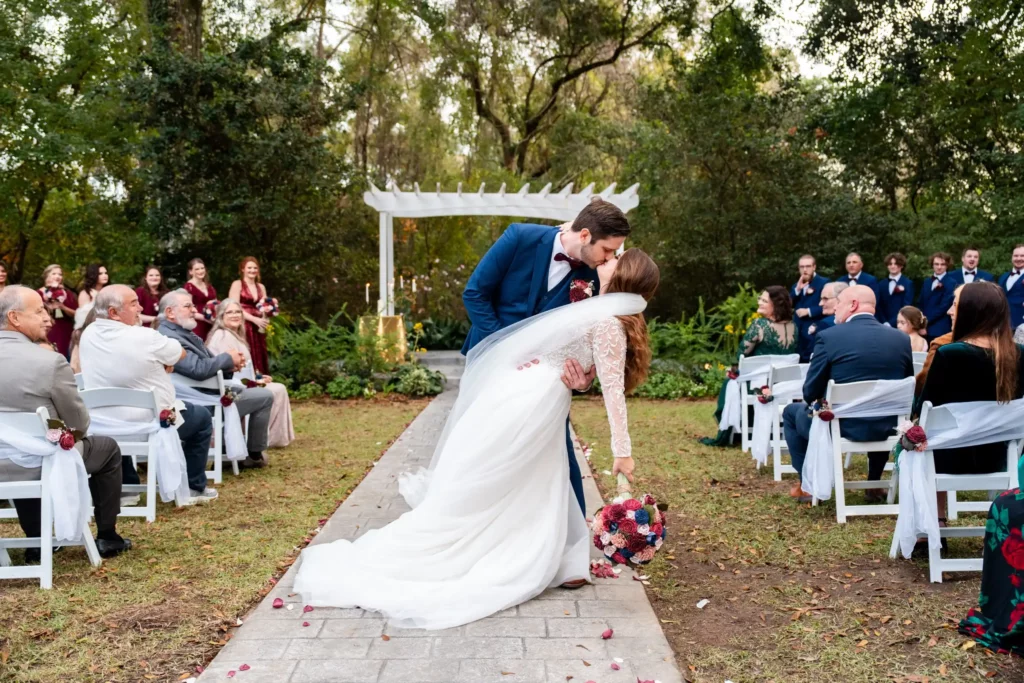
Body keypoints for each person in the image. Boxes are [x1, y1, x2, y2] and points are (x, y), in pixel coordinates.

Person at [294, 249, 659, 629]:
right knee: (503, 478)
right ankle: (494, 548)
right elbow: (558, 351)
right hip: (527, 398)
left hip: (536, 400)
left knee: (525, 481)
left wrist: (622, 451)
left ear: (625, 274)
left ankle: (529, 551)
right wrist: (575, 376)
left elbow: (613, 390)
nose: (610, 256)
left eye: (618, 257)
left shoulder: (607, 324)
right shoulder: (596, 310)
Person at [0, 286, 131, 559]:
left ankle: (38, 539)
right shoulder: (50, 362)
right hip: (41, 463)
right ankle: (107, 536)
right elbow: (78, 424)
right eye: (38, 312)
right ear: (14, 318)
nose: (45, 317)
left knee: (21, 449)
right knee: (106, 448)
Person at [80, 285, 219, 505]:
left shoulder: (88, 334)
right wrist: (164, 361)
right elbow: (180, 353)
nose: (141, 308)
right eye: (133, 303)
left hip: (105, 426)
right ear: (114, 313)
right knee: (201, 418)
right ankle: (194, 486)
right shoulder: (145, 336)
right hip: (151, 423)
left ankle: (127, 488)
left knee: (118, 415)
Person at [782, 285, 914, 502]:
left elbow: (809, 392)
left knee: (790, 412)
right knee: (879, 407)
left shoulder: (829, 337)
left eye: (839, 303)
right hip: (888, 425)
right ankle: (874, 484)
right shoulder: (900, 339)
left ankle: (807, 484)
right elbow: (907, 385)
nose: (835, 308)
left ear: (853, 305)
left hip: (842, 426)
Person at [157, 289, 274, 469]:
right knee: (264, 396)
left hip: (207, 392)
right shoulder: (170, 337)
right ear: (170, 313)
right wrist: (227, 358)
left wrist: (230, 366)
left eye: (193, 305)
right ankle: (253, 453)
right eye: (188, 306)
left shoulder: (182, 332)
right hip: (201, 401)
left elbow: (207, 362)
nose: (194, 310)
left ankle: (228, 449)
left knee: (249, 391)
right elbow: (197, 369)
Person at [701, 286, 799, 447]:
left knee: (729, 383)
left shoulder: (760, 325)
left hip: (757, 385)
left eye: (764, 300)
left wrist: (732, 371)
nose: (759, 301)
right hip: (781, 386)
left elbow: (742, 355)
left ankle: (734, 431)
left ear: (776, 305)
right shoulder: (794, 327)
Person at [207, 299, 294, 449]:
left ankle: (270, 436)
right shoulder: (222, 336)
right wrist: (255, 383)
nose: (235, 315)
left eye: (238, 312)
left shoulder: (233, 334)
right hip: (230, 389)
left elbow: (243, 369)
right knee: (276, 390)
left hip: (241, 383)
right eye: (230, 312)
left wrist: (258, 378)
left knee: (278, 387)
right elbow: (229, 371)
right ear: (221, 316)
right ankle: (267, 439)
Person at [228, 257, 274, 375]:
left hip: (258, 325)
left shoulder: (261, 287)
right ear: (243, 269)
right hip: (244, 323)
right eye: (249, 268)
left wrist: (265, 319)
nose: (252, 270)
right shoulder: (237, 284)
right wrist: (254, 319)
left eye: (255, 268)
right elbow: (234, 307)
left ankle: (261, 377)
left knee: (260, 351)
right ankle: (247, 379)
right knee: (246, 351)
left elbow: (265, 306)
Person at [916, 285, 963, 394]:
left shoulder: (942, 347)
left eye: (955, 305)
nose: (949, 311)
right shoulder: (1008, 349)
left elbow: (921, 391)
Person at [791, 255, 828, 362]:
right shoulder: (795, 286)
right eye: (802, 267)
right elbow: (788, 304)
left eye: (808, 266)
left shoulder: (824, 283)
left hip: (814, 330)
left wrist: (808, 311)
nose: (805, 270)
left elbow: (829, 306)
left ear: (814, 267)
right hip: (797, 333)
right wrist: (797, 290)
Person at [38, 264, 78, 356]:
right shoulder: (38, 293)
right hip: (48, 330)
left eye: (60, 274)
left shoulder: (67, 293)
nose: (57, 276)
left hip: (65, 330)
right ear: (47, 275)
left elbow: (77, 313)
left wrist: (62, 307)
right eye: (54, 274)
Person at [919, 252, 956, 340]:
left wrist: (925, 322)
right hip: (923, 328)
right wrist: (920, 324)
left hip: (940, 328)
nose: (939, 267)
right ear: (932, 265)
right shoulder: (927, 282)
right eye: (936, 264)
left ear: (947, 266)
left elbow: (944, 307)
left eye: (942, 264)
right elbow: (921, 303)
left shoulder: (952, 283)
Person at [877, 253, 915, 327]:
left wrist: (891, 323)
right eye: (890, 264)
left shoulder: (908, 284)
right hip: (882, 324)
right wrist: (884, 322)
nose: (893, 266)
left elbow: (906, 306)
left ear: (901, 266)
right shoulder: (881, 284)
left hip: (900, 324)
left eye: (896, 264)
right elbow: (879, 305)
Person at [184, 258, 218, 341]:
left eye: (202, 268)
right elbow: (188, 309)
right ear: (191, 272)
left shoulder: (209, 286)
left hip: (212, 322)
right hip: (198, 323)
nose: (200, 271)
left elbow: (216, 303)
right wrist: (205, 318)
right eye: (197, 269)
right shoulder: (189, 287)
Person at [998, 244, 1024, 330]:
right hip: (1003, 324)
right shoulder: (1003, 276)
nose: (1019, 258)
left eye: (1022, 256)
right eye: (1016, 256)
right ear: (1012, 258)